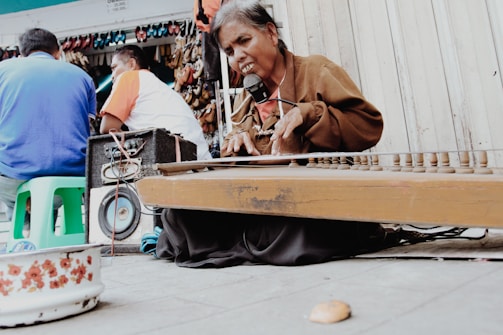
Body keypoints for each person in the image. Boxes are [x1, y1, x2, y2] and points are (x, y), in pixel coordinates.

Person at [153, 0, 397, 268]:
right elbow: (234, 149)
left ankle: (244, 241)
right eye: (230, 51)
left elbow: (369, 125)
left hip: (306, 199)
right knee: (176, 216)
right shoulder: (245, 98)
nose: (238, 56)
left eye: (244, 41)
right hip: (260, 201)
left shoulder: (315, 71)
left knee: (295, 226)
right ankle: (253, 241)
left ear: (271, 33)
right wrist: (235, 147)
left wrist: (310, 114)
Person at [0, 28, 96, 222]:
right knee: (50, 195)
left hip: (13, 176)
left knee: (18, 198)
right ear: (58, 53)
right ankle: (45, 231)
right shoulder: (83, 77)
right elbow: (89, 128)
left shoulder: (3, 70)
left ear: (21, 53)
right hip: (71, 175)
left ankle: (25, 233)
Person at [99, 45, 212, 160]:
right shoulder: (157, 86)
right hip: (199, 157)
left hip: (174, 158)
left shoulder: (128, 77)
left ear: (131, 64)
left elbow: (107, 127)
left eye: (114, 68)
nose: (112, 76)